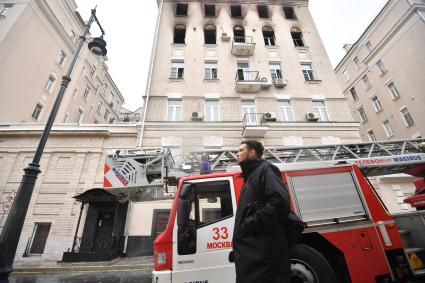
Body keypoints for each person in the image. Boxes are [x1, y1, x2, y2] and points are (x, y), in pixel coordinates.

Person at [232, 140, 291, 283]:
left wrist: (249, 225)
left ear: (252, 152)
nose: (236, 154)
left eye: (240, 150)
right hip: (256, 256)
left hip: (264, 257)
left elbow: (279, 202)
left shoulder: (266, 169)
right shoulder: (252, 175)